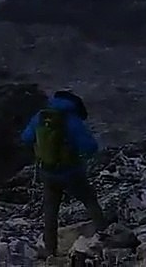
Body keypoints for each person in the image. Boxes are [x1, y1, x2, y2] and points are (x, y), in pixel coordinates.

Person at [21, 90, 108, 258]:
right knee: (89, 200)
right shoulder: (71, 119)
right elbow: (89, 146)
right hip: (70, 172)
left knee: (50, 210)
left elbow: (26, 137)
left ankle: (50, 250)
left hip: (47, 171)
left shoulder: (41, 116)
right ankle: (105, 235)